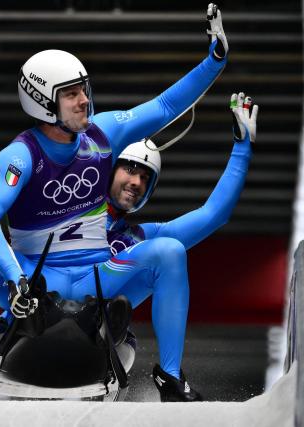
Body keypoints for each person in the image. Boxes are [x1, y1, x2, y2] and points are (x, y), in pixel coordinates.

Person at [0, 3, 229, 401]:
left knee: (170, 251)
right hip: (36, 279)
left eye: (83, 91)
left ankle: (170, 377)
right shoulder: (19, 156)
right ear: (42, 103)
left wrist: (213, 62)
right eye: (71, 95)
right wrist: (14, 278)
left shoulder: (104, 133)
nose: (83, 102)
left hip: (98, 272)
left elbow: (163, 107)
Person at [103, 91, 257, 401]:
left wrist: (242, 148)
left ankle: (170, 379)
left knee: (170, 251)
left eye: (146, 178)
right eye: (130, 170)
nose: (136, 182)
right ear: (107, 171)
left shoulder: (144, 237)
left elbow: (213, 215)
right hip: (45, 312)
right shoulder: (67, 205)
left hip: (101, 332)